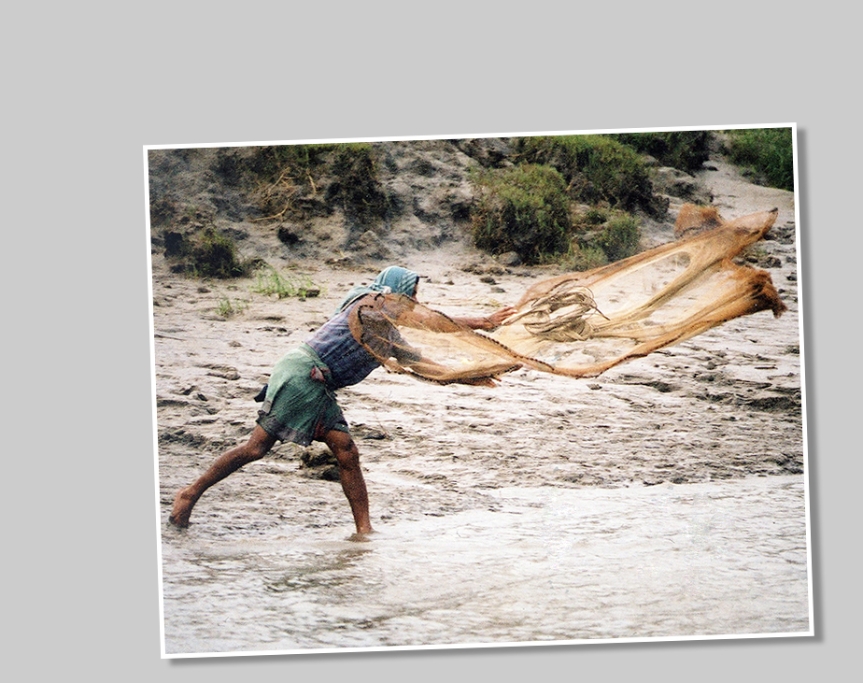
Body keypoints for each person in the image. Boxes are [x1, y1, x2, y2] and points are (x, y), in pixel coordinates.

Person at [169, 266, 516, 539]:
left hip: (312, 381)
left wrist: (469, 376)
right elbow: (428, 320)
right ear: (391, 290)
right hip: (305, 374)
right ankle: (190, 493)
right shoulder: (369, 302)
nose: (412, 303)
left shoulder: (386, 336)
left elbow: (426, 365)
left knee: (311, 451)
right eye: (409, 295)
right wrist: (482, 322)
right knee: (290, 449)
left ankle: (363, 531)